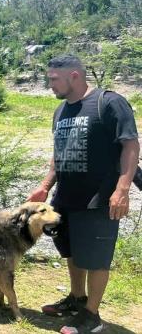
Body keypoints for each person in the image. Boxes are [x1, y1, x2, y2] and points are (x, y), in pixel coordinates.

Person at [27, 55, 139, 334]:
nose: (49, 84)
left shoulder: (110, 102)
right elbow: (59, 153)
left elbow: (130, 146)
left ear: (74, 76)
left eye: (54, 79)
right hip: (65, 197)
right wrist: (46, 185)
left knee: (97, 257)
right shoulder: (61, 110)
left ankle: (92, 316)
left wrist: (122, 189)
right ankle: (77, 299)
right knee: (71, 250)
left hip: (99, 197)